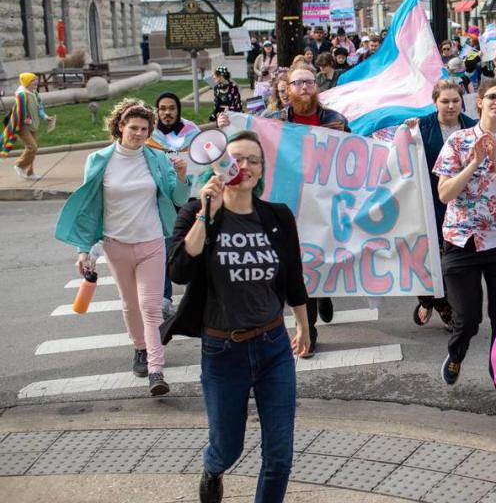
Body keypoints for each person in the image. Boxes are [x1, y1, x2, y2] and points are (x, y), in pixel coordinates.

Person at [163, 130, 310, 503]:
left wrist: (303, 324)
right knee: (227, 447)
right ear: (219, 165)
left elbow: (293, 275)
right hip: (223, 351)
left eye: (253, 160)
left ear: (261, 171)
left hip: (273, 346)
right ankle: (213, 468)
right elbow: (179, 271)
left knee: (279, 455)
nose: (243, 167)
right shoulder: (197, 211)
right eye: (236, 159)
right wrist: (205, 215)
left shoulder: (277, 216)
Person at [54, 99, 189, 396]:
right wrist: (83, 249)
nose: (139, 133)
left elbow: (179, 195)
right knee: (129, 306)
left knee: (151, 308)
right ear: (119, 127)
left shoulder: (157, 159)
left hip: (153, 242)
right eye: (133, 128)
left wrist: (181, 175)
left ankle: (156, 369)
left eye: (144, 128)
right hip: (116, 246)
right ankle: (139, 348)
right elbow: (90, 207)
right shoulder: (100, 160)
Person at [217, 67, 348, 358]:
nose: (304, 87)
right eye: (298, 83)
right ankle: (309, 330)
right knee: (299, 262)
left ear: (316, 88)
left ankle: (325, 292)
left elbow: (354, 157)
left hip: (326, 202)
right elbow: (249, 144)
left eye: (309, 82)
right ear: (286, 89)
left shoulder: (337, 121)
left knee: (323, 257)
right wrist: (227, 124)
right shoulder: (272, 122)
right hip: (291, 202)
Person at [433, 78, 496, 419]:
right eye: (491, 96)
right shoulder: (458, 141)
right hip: (461, 240)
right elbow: (445, 194)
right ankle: (457, 352)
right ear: (478, 102)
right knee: (468, 318)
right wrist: (475, 162)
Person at [403, 80, 477, 328]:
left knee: (453, 259)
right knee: (426, 255)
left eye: (455, 100)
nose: (450, 105)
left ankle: (449, 303)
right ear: (435, 102)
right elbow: (401, 154)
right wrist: (408, 132)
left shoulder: (472, 126)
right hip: (427, 201)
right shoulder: (422, 126)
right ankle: (431, 301)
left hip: (461, 203)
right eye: (445, 101)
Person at [149, 92, 201, 319]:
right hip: (163, 199)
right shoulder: (150, 135)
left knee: (193, 246)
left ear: (178, 110)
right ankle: (164, 299)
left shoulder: (192, 133)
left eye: (171, 108)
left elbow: (205, 158)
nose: (167, 113)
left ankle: (196, 296)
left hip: (190, 196)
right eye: (162, 109)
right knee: (165, 249)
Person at [1, 72, 54, 179]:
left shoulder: (34, 93)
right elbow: (19, 112)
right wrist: (24, 121)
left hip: (33, 125)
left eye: (36, 80)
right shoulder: (22, 94)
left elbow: (39, 107)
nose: (36, 82)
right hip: (22, 126)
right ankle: (19, 165)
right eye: (33, 80)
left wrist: (45, 117)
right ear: (27, 82)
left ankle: (30, 172)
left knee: (33, 149)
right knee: (32, 147)